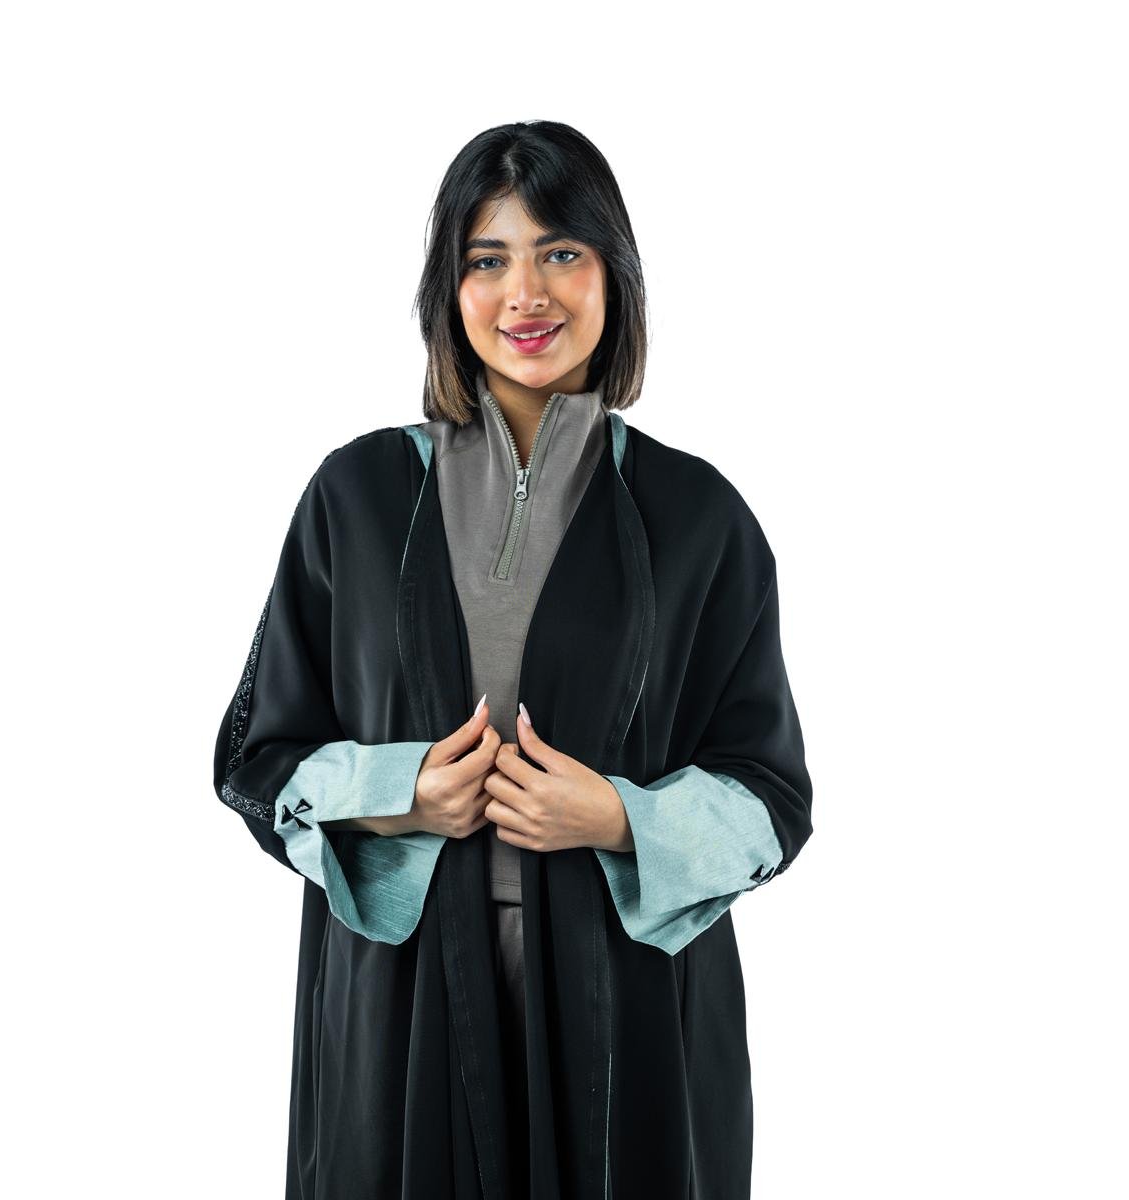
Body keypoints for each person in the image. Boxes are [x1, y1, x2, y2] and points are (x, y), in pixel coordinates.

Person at [213, 119, 814, 1200]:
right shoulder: (356, 499)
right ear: (448, 288)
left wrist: (619, 817)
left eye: (560, 252)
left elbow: (771, 800)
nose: (524, 293)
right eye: (487, 259)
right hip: (400, 1012)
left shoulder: (699, 519)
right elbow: (258, 761)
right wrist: (398, 792)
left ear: (613, 273)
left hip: (630, 1014)